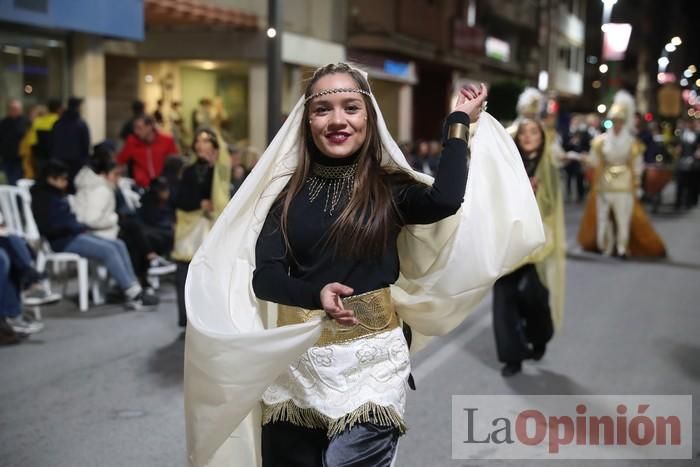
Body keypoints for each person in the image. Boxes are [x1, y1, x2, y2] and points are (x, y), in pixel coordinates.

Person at [182, 63, 545, 467]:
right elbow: (265, 278)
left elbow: (445, 199)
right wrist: (314, 295)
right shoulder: (282, 197)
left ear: (369, 117)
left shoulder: (389, 188)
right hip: (295, 368)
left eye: (351, 107)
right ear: (307, 121)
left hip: (371, 369)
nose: (338, 120)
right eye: (324, 110)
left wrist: (457, 123)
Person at [492, 119, 566, 377]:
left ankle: (539, 338)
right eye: (523, 132)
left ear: (542, 137)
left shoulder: (550, 168)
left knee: (534, 298)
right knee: (504, 300)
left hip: (538, 244)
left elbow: (552, 208)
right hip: (509, 241)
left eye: (534, 132)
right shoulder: (509, 163)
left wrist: (535, 196)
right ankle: (512, 356)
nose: (528, 136)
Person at [31, 160, 155, 310]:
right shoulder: (42, 198)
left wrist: (76, 226)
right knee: (108, 250)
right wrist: (74, 227)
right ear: (51, 179)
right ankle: (132, 292)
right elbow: (49, 227)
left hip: (74, 234)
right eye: (62, 179)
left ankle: (134, 287)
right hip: (62, 241)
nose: (65, 183)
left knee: (118, 244)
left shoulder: (56, 195)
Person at [577, 91, 666, 258]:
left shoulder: (632, 143)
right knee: (604, 218)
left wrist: (637, 185)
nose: (617, 125)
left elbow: (637, 166)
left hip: (624, 185)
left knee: (622, 219)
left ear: (624, 123)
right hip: (604, 184)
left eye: (620, 121)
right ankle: (606, 246)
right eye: (614, 121)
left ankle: (622, 248)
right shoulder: (600, 141)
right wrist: (582, 159)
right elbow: (595, 161)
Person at [171, 128, 230, 328]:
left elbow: (223, 199)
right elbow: (178, 199)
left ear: (215, 146)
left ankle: (207, 319)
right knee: (184, 272)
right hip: (189, 229)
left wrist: (215, 168)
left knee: (209, 275)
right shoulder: (188, 169)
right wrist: (199, 203)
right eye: (198, 141)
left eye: (206, 141)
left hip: (212, 228)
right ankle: (185, 318)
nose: (200, 145)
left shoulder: (221, 170)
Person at [116, 114, 179, 188]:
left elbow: (176, 164)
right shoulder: (132, 142)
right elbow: (119, 161)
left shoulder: (167, 141)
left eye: (139, 128)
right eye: (135, 128)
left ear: (149, 127)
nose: (136, 132)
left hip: (164, 186)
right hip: (142, 187)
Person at [49, 97, 90, 186]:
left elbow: (52, 142)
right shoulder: (81, 124)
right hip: (76, 163)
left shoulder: (58, 123)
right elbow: (86, 145)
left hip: (59, 161)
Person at [19, 98, 62, 179]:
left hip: (39, 156)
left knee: (41, 176)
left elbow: (32, 141)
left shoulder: (37, 122)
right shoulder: (59, 121)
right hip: (55, 156)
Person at [0, 99, 29, 184]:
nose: (14, 111)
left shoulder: (25, 122)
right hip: (6, 156)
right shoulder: (3, 122)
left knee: (17, 180)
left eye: (16, 109)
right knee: (6, 179)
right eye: (12, 109)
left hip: (20, 157)